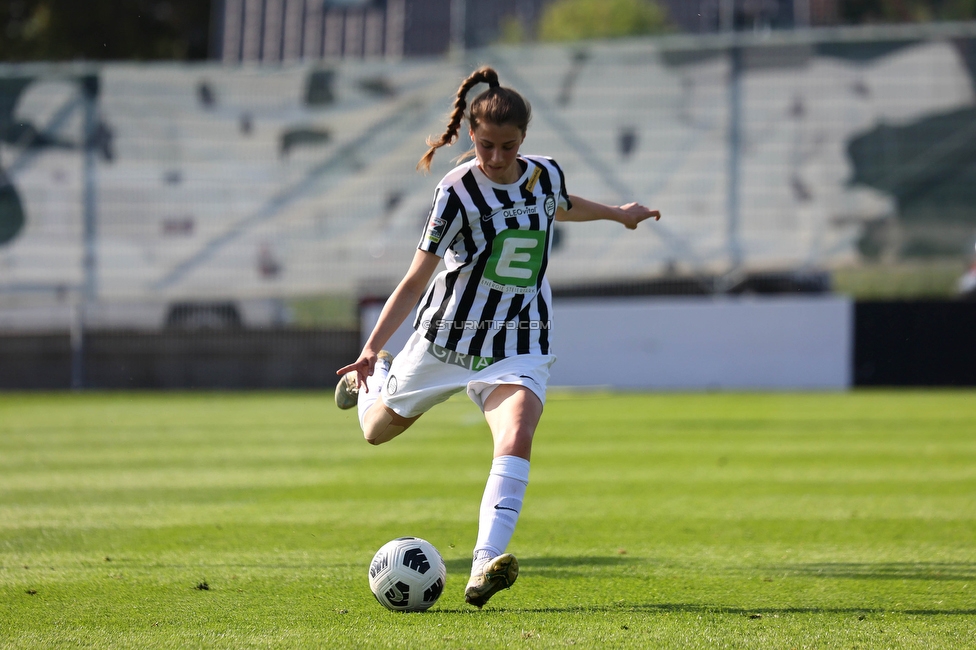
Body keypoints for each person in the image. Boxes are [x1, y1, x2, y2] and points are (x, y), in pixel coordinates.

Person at [335, 65, 660, 609]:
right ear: (471, 137)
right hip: (447, 339)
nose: (497, 158)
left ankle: (485, 562)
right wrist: (370, 348)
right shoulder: (456, 191)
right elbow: (418, 276)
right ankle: (378, 378)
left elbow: (563, 203)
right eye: (487, 146)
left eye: (508, 146)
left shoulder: (543, 175)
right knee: (374, 431)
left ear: (523, 141)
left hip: (520, 339)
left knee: (517, 434)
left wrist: (618, 215)